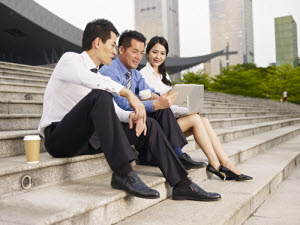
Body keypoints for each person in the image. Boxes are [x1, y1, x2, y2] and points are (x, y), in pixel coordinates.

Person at [38, 19, 221, 201]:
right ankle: (123, 173)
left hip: (89, 139)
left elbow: (114, 110)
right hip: (60, 138)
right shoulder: (70, 60)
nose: (114, 51)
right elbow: (90, 82)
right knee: (101, 95)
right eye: (112, 45)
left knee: (149, 123)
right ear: (97, 42)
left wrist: (133, 115)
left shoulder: (99, 78)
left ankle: (182, 184)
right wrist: (128, 93)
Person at [140, 36, 253, 181]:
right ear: (148, 52)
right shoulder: (143, 75)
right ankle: (216, 165)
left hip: (169, 125)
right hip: (158, 128)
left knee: (203, 120)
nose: (158, 56)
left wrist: (188, 108)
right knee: (194, 118)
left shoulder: (164, 75)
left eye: (162, 53)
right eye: (154, 52)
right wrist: (188, 111)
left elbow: (173, 104)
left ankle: (225, 163)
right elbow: (163, 106)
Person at [100, 30, 206, 170]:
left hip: (133, 119)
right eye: (134, 52)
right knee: (157, 110)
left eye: (141, 53)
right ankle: (172, 154)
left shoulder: (135, 73)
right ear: (121, 49)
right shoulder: (110, 71)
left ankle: (175, 154)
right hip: (116, 123)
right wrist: (155, 104)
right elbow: (122, 105)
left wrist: (155, 96)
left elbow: (149, 90)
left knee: (161, 109)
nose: (138, 57)